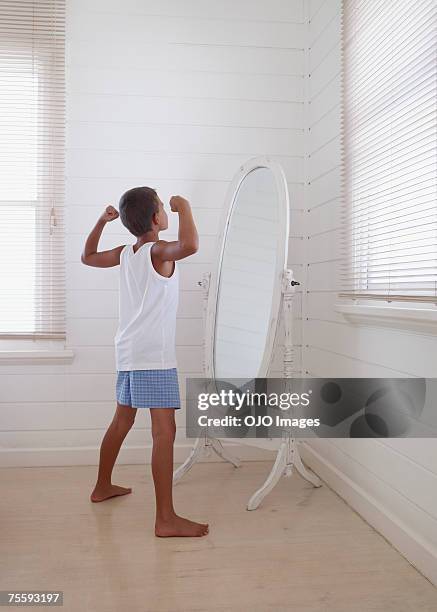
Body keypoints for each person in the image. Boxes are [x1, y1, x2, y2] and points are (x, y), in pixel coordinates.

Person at [81, 186, 209, 537]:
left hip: (128, 352)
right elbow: (191, 245)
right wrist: (185, 208)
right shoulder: (158, 251)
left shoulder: (126, 253)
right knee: (164, 432)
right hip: (153, 356)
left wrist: (100, 221)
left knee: (122, 421)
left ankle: (102, 486)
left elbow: (87, 256)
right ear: (157, 218)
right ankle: (165, 518)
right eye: (163, 208)